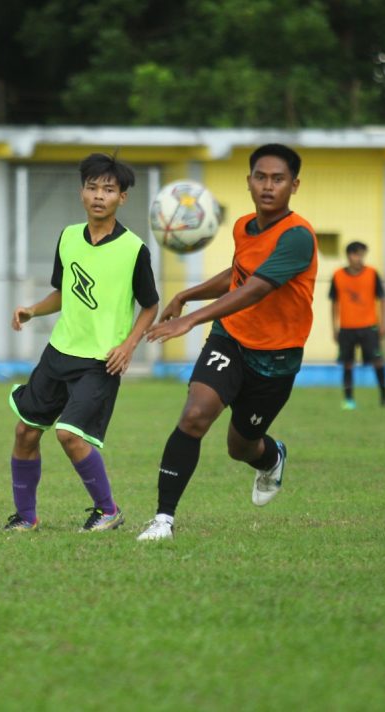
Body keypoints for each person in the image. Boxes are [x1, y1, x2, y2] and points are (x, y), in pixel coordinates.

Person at [137, 144, 317, 541]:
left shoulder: (298, 237)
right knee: (195, 415)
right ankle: (163, 520)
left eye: (278, 179)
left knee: (242, 447)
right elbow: (237, 275)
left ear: (294, 185)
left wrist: (191, 319)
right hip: (230, 339)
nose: (268, 186)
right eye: (260, 177)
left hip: (275, 359)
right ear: (249, 182)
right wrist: (187, 295)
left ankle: (273, 457)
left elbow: (256, 289)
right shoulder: (243, 227)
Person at [5, 153, 159, 532]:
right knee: (25, 431)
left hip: (100, 360)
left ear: (122, 197)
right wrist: (33, 311)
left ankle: (108, 511)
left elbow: (151, 305)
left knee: (69, 435)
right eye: (92, 187)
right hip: (59, 352)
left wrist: (128, 346)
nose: (98, 196)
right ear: (82, 192)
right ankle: (25, 518)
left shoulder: (135, 250)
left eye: (108, 189)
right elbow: (64, 292)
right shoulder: (69, 237)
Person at [329, 241, 385, 409]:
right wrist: (334, 328)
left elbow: (382, 299)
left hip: (369, 327)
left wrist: (383, 323)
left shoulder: (372, 273)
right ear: (348, 256)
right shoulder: (338, 275)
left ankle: (384, 397)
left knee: (378, 361)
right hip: (347, 328)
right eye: (356, 254)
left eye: (362, 254)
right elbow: (334, 303)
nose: (359, 258)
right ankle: (348, 400)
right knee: (347, 363)